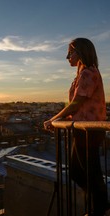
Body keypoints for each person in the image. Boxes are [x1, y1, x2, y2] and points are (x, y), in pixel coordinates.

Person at [44, 38, 109, 216]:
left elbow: (75, 104)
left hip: (89, 130)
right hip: (82, 129)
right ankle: (99, 206)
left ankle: (101, 208)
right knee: (78, 171)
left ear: (80, 53)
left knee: (90, 172)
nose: (67, 57)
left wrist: (53, 119)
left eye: (70, 52)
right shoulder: (84, 74)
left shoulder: (88, 73)